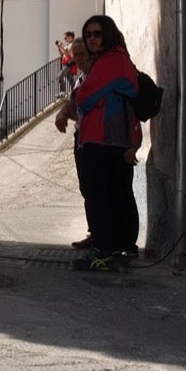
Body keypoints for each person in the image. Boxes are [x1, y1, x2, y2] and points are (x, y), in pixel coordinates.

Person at [68, 15, 141, 272]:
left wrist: (87, 96)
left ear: (108, 34)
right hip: (103, 138)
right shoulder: (109, 60)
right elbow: (83, 96)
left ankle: (104, 252)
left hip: (105, 139)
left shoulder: (111, 61)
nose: (92, 39)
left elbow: (83, 98)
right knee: (109, 194)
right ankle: (114, 247)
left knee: (100, 194)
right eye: (88, 34)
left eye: (97, 33)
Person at [55, 37, 94, 249]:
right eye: (76, 55)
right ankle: (95, 232)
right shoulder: (81, 79)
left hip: (99, 142)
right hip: (82, 139)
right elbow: (73, 103)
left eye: (82, 54)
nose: (78, 59)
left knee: (99, 190)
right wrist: (62, 114)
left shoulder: (99, 77)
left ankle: (107, 239)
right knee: (87, 188)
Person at [56, 30, 75, 95]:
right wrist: (59, 48)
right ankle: (75, 91)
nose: (64, 39)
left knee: (60, 75)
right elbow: (62, 55)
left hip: (69, 64)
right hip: (67, 63)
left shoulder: (72, 44)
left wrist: (61, 46)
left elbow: (67, 53)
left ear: (70, 37)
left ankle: (63, 92)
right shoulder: (68, 45)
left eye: (65, 37)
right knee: (71, 80)